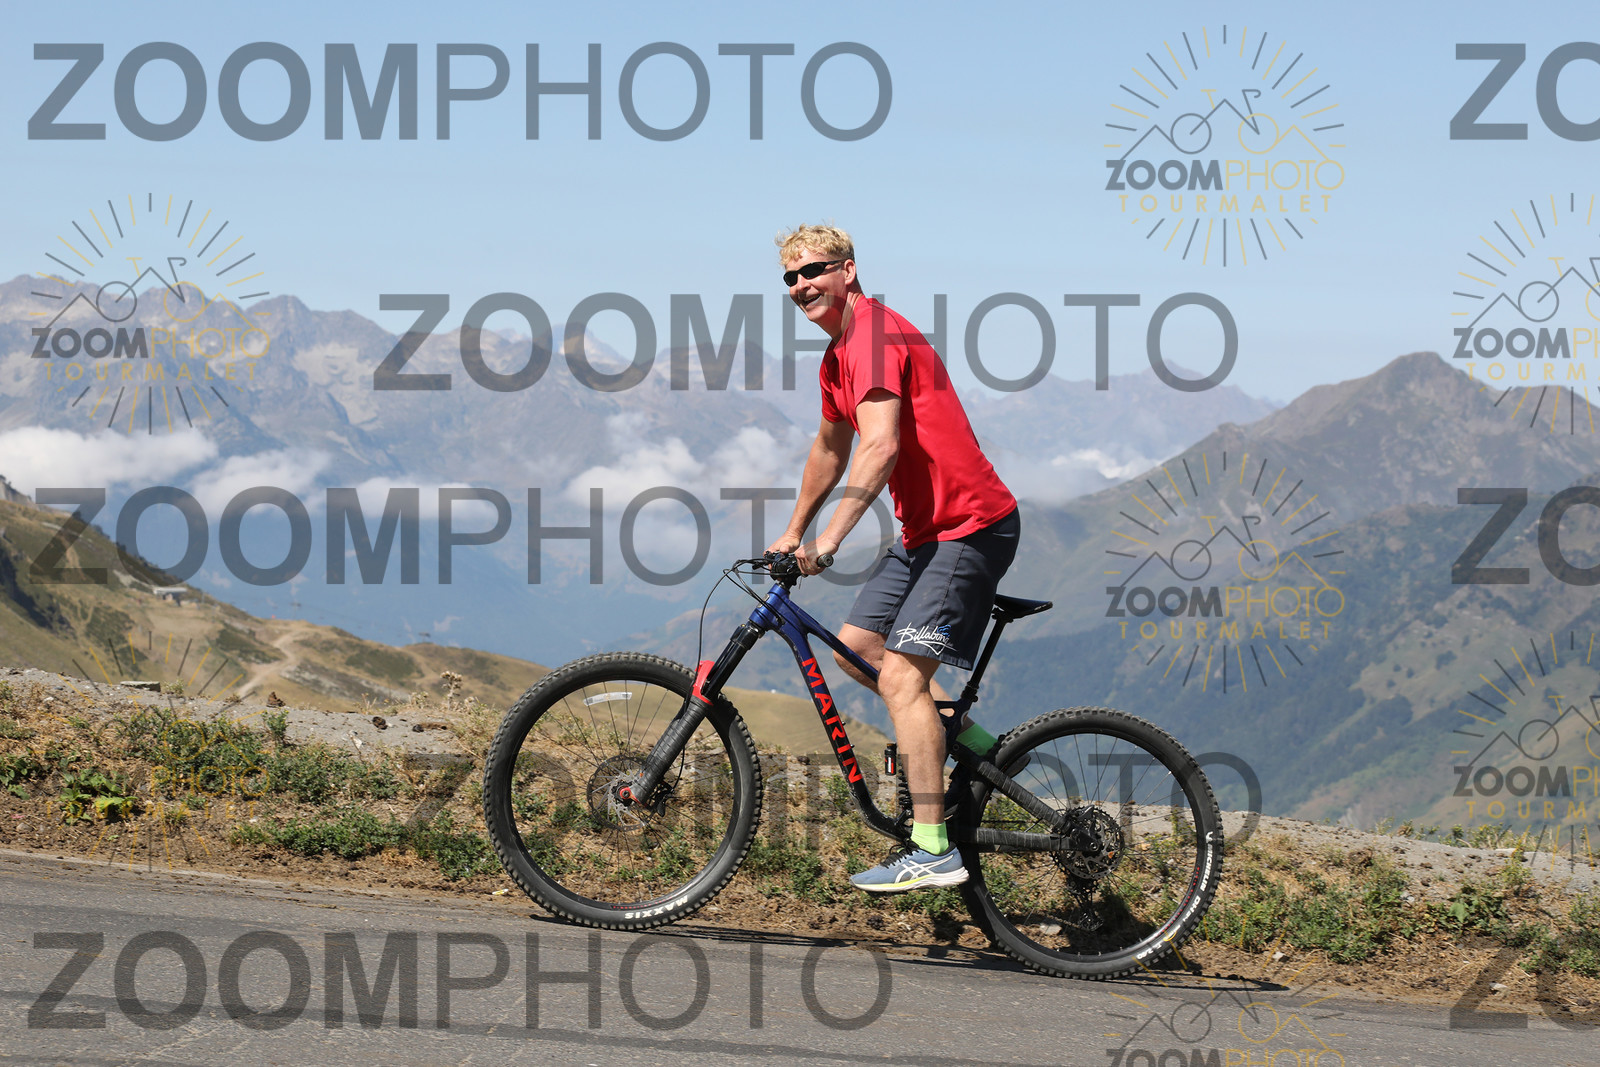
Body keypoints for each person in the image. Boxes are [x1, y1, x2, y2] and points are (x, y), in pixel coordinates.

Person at [765, 223, 1020, 893]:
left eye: (814, 270)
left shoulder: (875, 336)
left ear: (848, 270)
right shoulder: (837, 356)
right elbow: (830, 449)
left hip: (969, 527)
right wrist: (792, 531)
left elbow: (878, 446)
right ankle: (984, 752)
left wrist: (828, 541)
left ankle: (933, 848)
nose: (801, 285)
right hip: (924, 534)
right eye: (790, 277)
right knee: (857, 653)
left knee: (903, 680)